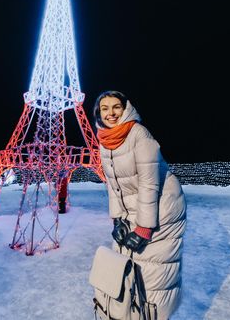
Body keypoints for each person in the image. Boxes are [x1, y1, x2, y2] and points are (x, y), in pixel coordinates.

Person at [93, 90, 186, 320]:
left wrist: (144, 227)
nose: (111, 113)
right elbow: (114, 186)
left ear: (125, 109)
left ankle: (153, 316)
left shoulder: (138, 134)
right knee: (124, 269)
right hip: (135, 209)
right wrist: (117, 219)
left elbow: (149, 183)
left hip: (163, 208)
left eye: (116, 107)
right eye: (105, 108)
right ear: (98, 112)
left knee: (152, 275)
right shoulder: (105, 139)